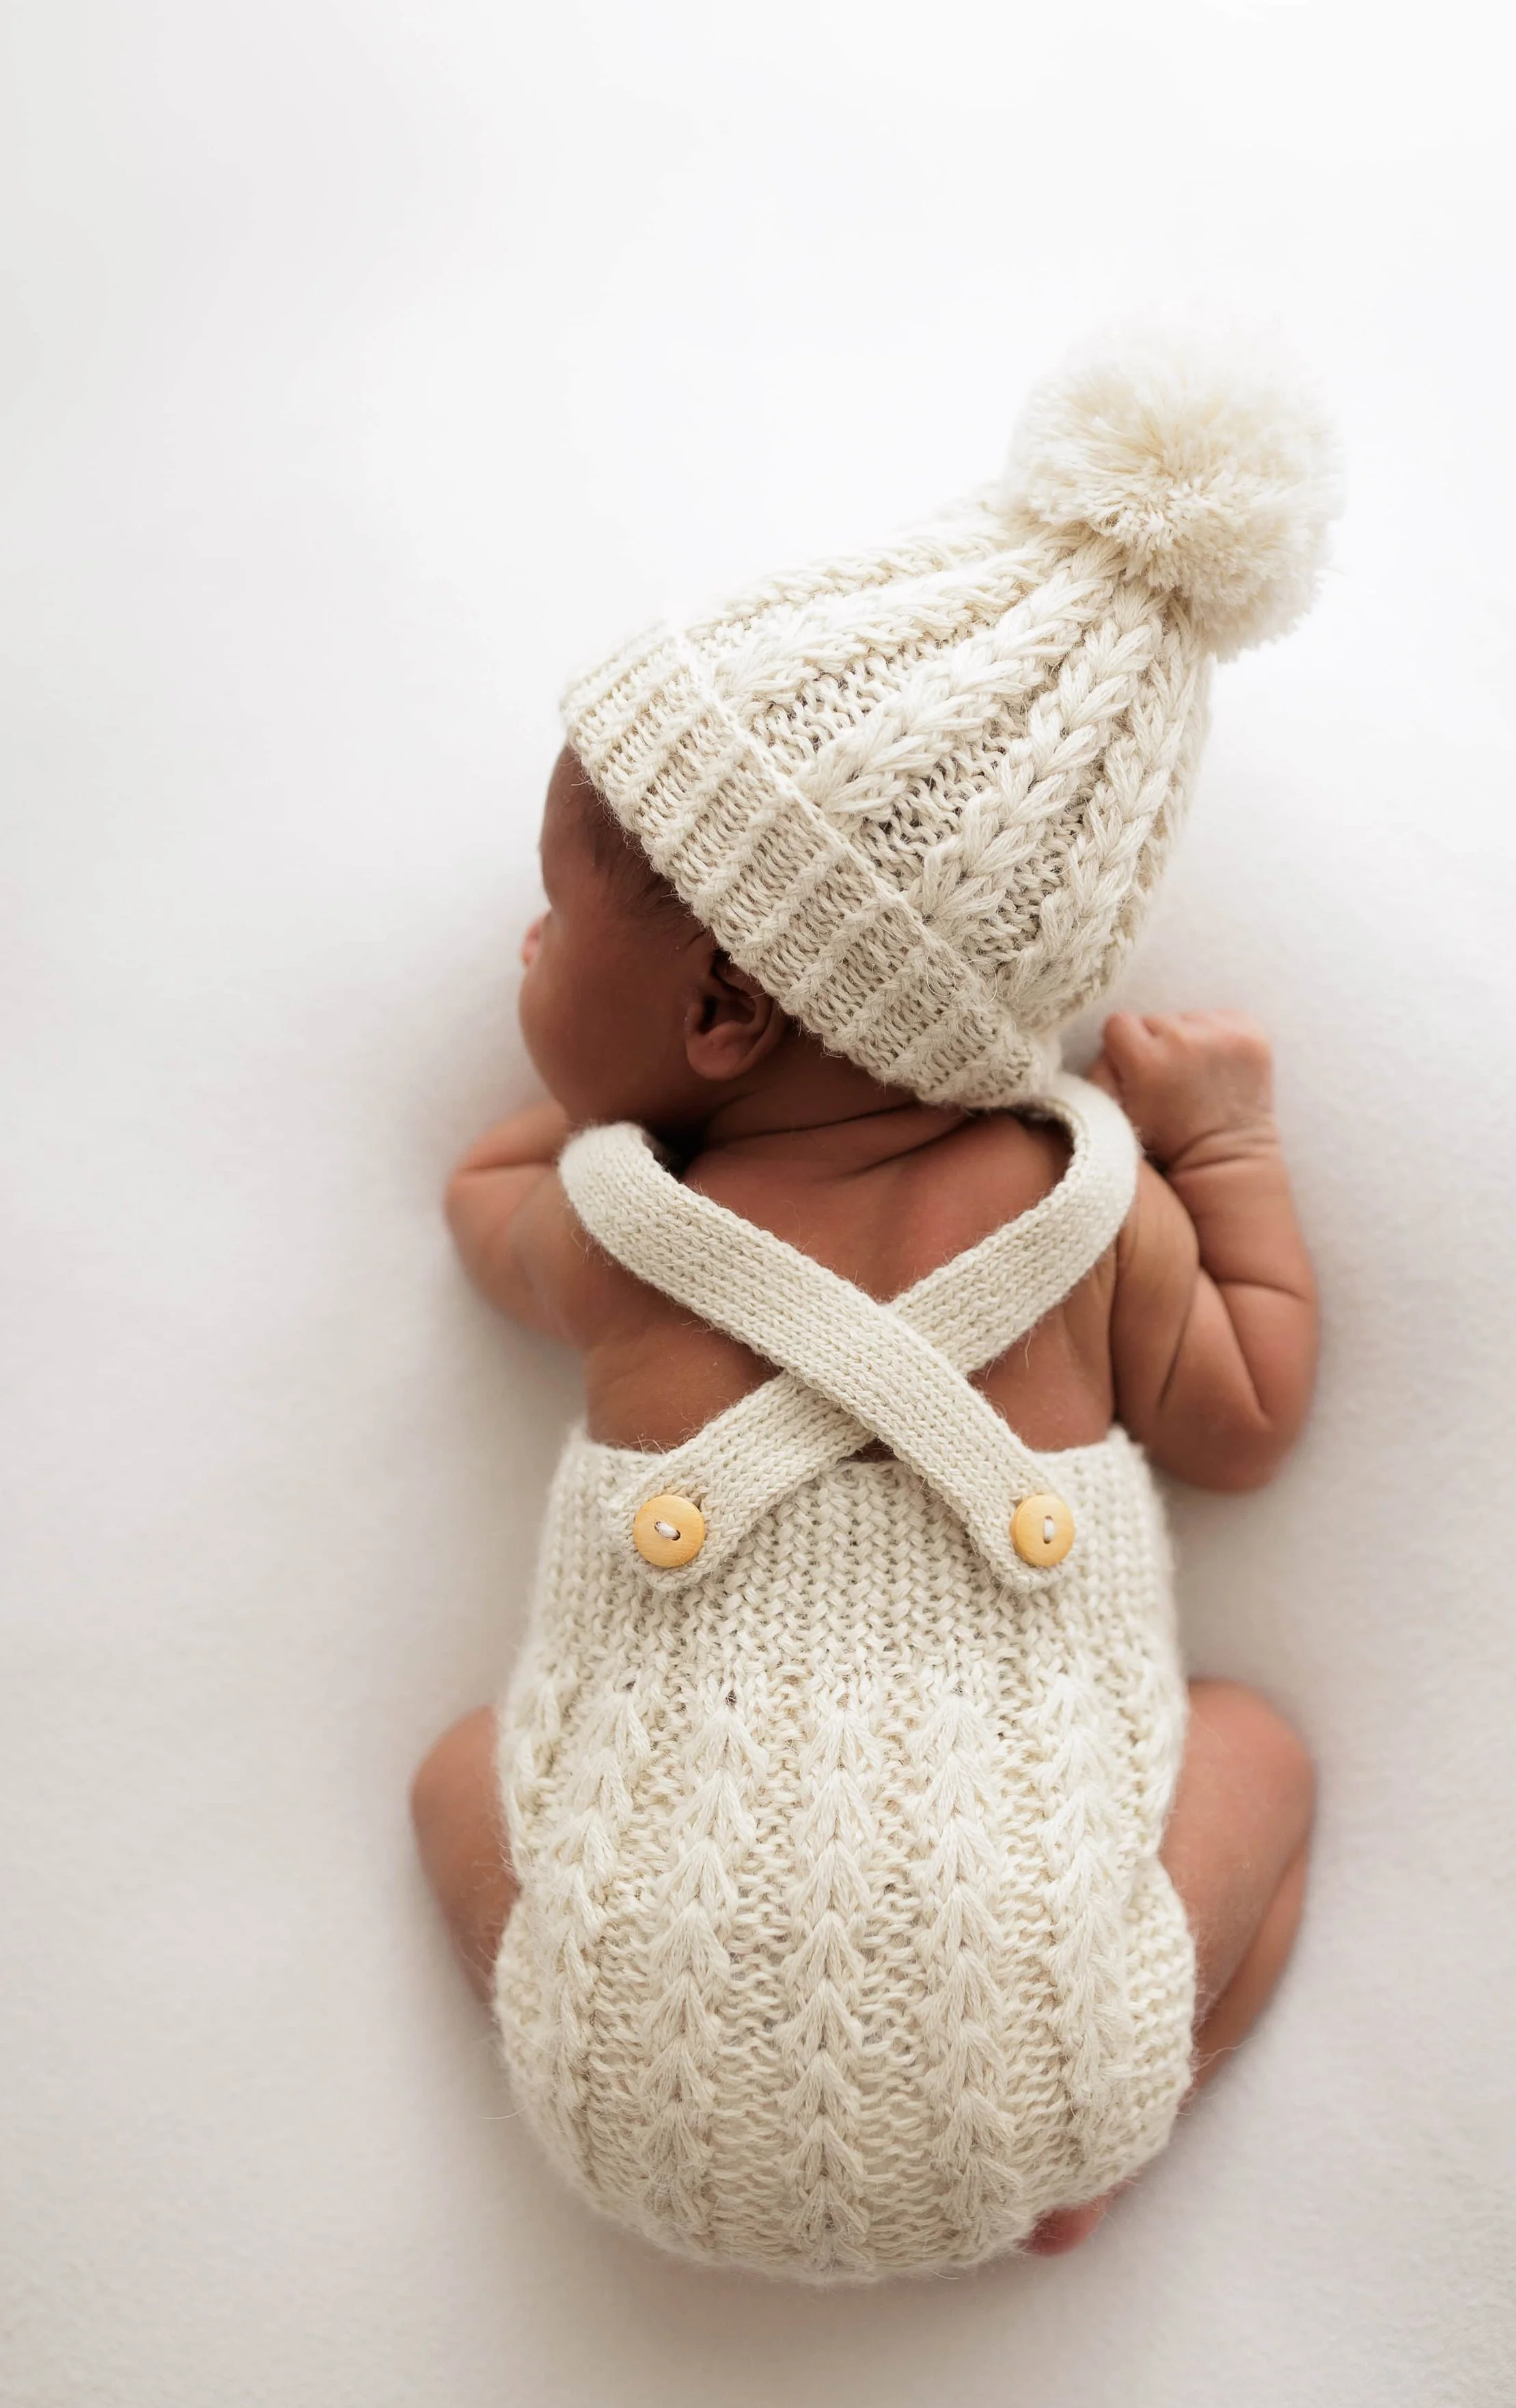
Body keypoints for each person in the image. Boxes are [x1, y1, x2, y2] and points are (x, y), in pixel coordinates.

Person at [412, 326, 1338, 2279]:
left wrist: (613, 1123)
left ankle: (690, 2071)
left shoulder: (609, 1236)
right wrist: (1226, 1150)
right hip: (1043, 2054)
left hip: (613, 2084)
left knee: (449, 1776)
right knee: (1259, 1735)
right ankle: (1107, 2136)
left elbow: (470, 1195)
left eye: (553, 916)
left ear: (724, 1013)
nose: (518, 943)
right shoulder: (1087, 1215)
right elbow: (1248, 1413)